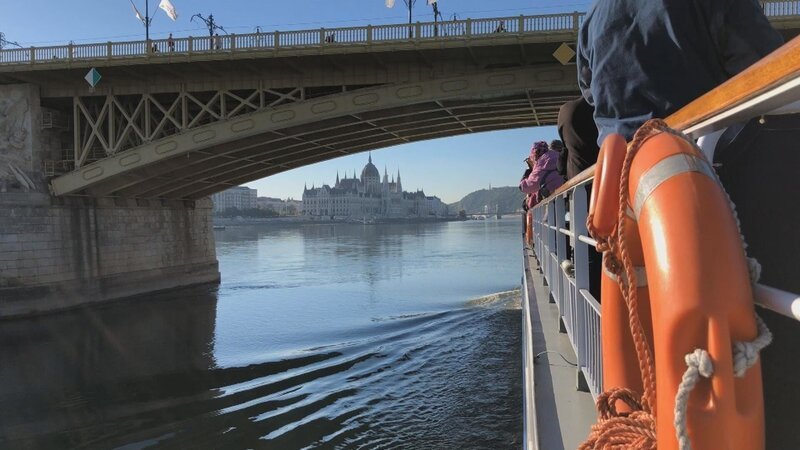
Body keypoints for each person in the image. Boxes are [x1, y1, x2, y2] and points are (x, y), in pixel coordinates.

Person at [577, 0, 783, 146]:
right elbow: (769, 68)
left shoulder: (593, 15)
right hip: (708, 158)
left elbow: (590, 93)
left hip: (622, 168)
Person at [557, 97, 600, 180]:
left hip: (577, 177)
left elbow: (561, 168)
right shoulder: (601, 105)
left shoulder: (565, 110)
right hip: (605, 174)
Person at [519, 141, 565, 210]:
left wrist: (529, 169)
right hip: (568, 198)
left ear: (534, 154)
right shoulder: (559, 156)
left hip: (556, 205)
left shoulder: (542, 164)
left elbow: (524, 187)